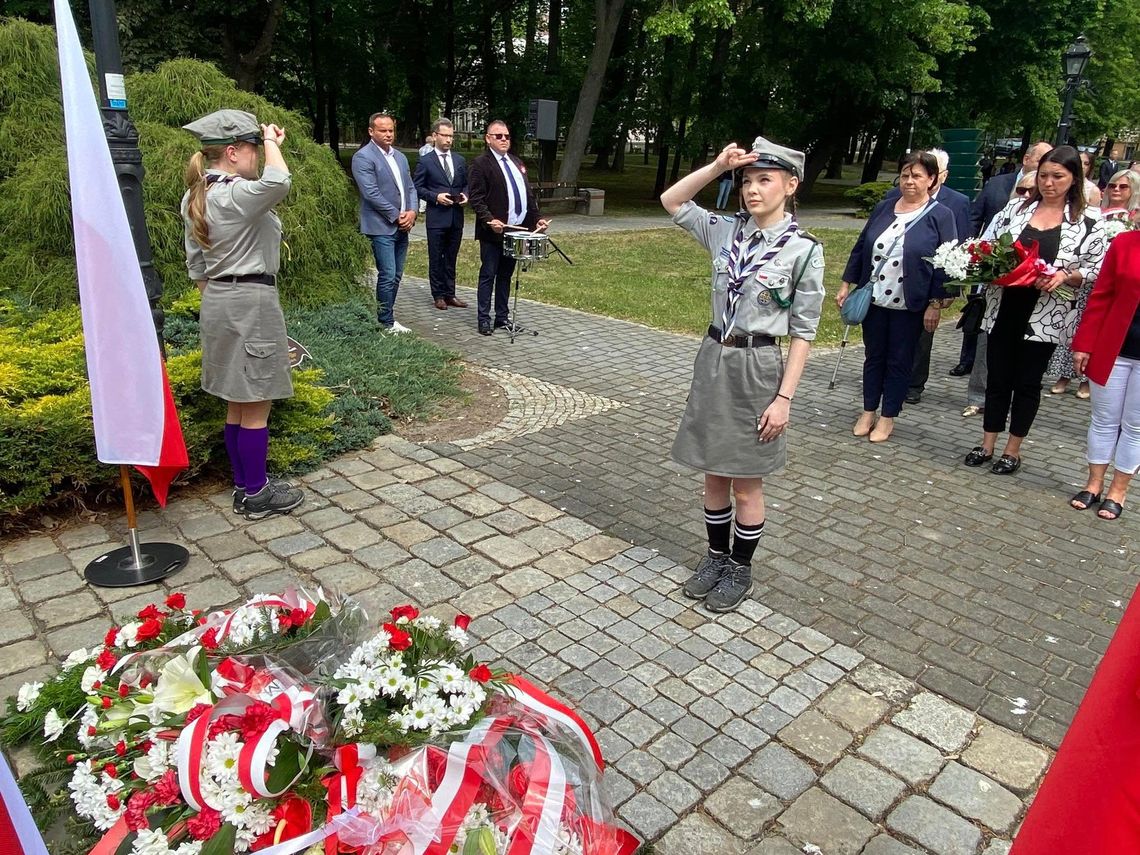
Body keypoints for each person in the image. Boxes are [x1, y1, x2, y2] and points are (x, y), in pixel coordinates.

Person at [661, 137, 824, 613]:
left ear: (791, 186)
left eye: (765, 180)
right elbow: (672, 200)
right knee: (713, 472)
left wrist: (784, 399)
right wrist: (717, 166)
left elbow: (804, 332)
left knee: (747, 480)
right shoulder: (725, 231)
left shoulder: (804, 251)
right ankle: (715, 557)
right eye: (747, 181)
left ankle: (740, 568)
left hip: (758, 366)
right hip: (714, 358)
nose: (752, 190)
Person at [181, 109, 304, 520]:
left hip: (218, 299)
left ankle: (244, 484)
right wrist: (271, 140)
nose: (259, 155)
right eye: (253, 148)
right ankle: (256, 495)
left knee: (237, 402)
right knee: (256, 404)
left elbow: (196, 267)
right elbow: (279, 181)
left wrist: (225, 295)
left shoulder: (196, 195)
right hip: (251, 298)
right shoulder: (236, 194)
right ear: (233, 152)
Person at [963, 146, 1109, 475]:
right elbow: (985, 246)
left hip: (1045, 315)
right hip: (1003, 306)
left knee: (1027, 383)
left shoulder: (1089, 222)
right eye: (1043, 176)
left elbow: (1099, 269)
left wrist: (1067, 275)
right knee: (997, 378)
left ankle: (1012, 450)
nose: (1049, 183)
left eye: (1058, 176)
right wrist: (988, 266)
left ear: (1074, 179)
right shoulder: (1015, 209)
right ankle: (987, 443)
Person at [837, 151, 957, 443]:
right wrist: (846, 283)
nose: (909, 181)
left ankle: (888, 416)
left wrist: (936, 303)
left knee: (899, 360)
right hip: (875, 299)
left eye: (917, 176)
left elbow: (947, 262)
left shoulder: (941, 215)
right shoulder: (884, 207)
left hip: (910, 303)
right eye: (905, 175)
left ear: (931, 179)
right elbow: (861, 247)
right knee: (873, 357)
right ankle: (868, 410)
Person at [879, 149, 972, 403]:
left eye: (927, 172)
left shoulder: (956, 203)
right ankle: (886, 381)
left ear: (939, 176)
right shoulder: (892, 199)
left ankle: (913, 385)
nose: (912, 180)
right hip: (891, 282)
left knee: (921, 337)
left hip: (927, 284)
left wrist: (948, 291)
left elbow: (957, 249)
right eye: (907, 174)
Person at [1069, 230, 1140, 519]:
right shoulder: (1125, 243)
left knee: (1135, 426)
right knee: (1103, 420)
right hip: (1113, 348)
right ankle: (1093, 484)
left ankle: (1118, 491)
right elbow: (1102, 295)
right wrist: (1084, 343)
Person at [962, 170, 1038, 418]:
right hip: (996, 294)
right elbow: (983, 246)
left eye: (1031, 191)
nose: (1025, 195)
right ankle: (977, 397)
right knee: (985, 348)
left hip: (1033, 300)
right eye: (1021, 190)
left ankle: (1009, 400)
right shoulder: (1004, 215)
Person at [467, 120, 549, 336]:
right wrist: (489, 220)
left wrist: (537, 219)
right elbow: (476, 198)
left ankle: (501, 316)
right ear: (488, 139)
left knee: (506, 275)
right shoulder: (481, 164)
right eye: (498, 136)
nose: (504, 139)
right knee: (488, 274)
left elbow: (527, 196)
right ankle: (483, 318)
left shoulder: (516, 162)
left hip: (516, 230)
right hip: (493, 231)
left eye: (507, 136)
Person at [352, 113, 418, 333]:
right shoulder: (363, 157)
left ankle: (388, 315)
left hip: (403, 225)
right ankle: (385, 321)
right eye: (383, 130)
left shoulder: (400, 157)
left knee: (397, 275)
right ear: (371, 131)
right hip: (381, 226)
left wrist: (412, 212)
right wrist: (396, 215)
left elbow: (410, 187)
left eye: (391, 130)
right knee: (388, 274)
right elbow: (370, 193)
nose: (388, 134)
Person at [413, 118, 469, 311]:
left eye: (451, 136)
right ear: (435, 136)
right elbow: (417, 187)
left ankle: (450, 293)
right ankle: (438, 295)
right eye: (445, 136)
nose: (448, 140)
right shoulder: (426, 161)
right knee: (436, 257)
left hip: (456, 217)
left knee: (451, 257)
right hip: (437, 217)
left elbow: (466, 184)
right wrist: (435, 197)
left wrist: (465, 195)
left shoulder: (459, 160)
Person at [971, 141, 1052, 237]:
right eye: (1041, 162)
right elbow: (974, 219)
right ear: (1026, 159)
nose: (1045, 167)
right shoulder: (996, 183)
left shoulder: (1049, 192)